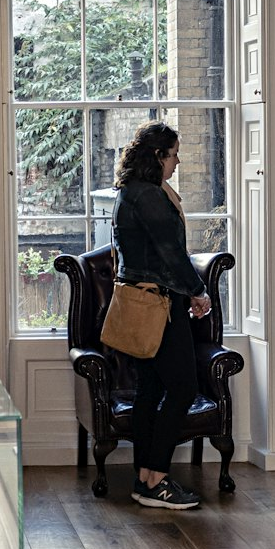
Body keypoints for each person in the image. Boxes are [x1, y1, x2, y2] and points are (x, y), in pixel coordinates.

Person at [112, 121, 211, 510]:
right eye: (173, 154)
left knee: (150, 390)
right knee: (183, 388)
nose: (178, 161)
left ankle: (144, 479)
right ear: (157, 155)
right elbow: (171, 253)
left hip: (142, 301)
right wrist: (198, 291)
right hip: (160, 304)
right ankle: (157, 477)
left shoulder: (130, 192)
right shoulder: (149, 196)